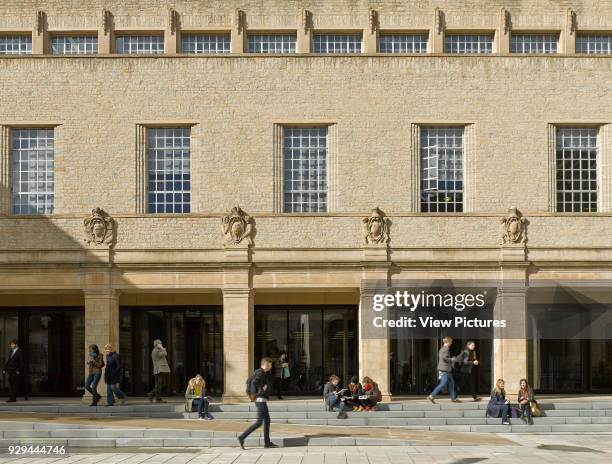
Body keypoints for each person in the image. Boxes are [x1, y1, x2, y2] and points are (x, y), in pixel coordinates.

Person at [238, 357, 278, 449]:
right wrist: (262, 389)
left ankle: (267, 443)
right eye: (270, 364)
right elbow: (254, 382)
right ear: (266, 364)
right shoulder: (260, 372)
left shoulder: (260, 372)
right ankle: (242, 437)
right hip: (260, 399)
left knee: (267, 420)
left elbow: (250, 381)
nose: (271, 366)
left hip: (260, 399)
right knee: (259, 422)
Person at [427, 336, 460, 404]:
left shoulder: (443, 348)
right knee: (443, 383)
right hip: (444, 369)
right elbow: (444, 358)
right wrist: (452, 359)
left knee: (452, 383)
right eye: (451, 342)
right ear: (448, 342)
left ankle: (453, 398)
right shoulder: (446, 349)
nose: (451, 343)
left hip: (446, 369)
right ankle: (431, 396)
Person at [148, 339, 171, 403]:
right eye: (160, 343)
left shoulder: (157, 350)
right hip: (159, 370)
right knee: (159, 385)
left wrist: (161, 348)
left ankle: (157, 398)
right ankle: (153, 395)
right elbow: (165, 354)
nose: (161, 344)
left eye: (161, 343)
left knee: (160, 384)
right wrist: (162, 348)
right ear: (157, 344)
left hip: (159, 370)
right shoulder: (156, 351)